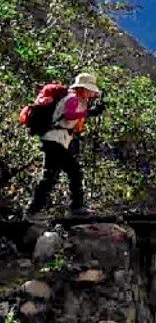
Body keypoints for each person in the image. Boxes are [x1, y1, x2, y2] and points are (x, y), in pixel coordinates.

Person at [26, 72, 105, 217]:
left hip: (55, 140)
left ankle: (34, 209)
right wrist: (88, 113)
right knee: (73, 171)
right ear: (83, 88)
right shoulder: (73, 99)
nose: (91, 93)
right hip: (54, 140)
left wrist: (89, 111)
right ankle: (76, 207)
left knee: (50, 175)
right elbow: (69, 115)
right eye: (90, 90)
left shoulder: (78, 100)